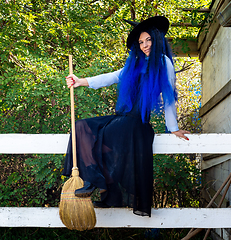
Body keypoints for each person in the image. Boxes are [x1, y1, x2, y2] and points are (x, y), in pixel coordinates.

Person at [62, 16, 189, 217]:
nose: (145, 45)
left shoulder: (163, 63)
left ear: (156, 39)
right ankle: (100, 185)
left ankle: (96, 183)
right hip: (122, 119)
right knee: (81, 127)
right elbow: (112, 76)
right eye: (141, 42)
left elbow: (169, 95)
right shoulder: (135, 63)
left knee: (108, 135)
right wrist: (81, 81)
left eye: (148, 40)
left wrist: (173, 127)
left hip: (137, 123)